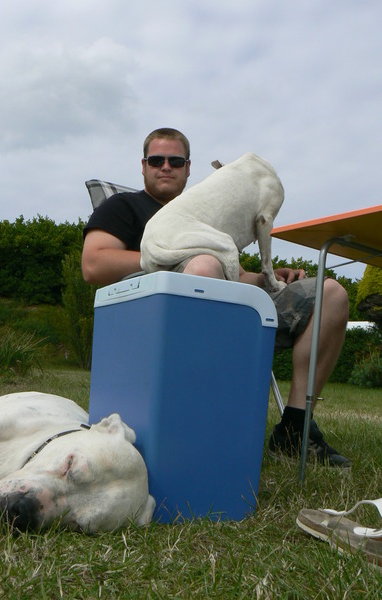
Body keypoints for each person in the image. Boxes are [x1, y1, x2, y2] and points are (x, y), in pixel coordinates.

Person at [82, 127, 351, 468]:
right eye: (157, 160)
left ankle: (296, 429)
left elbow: (233, 274)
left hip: (226, 300)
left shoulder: (210, 205)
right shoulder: (124, 207)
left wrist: (269, 278)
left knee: (330, 293)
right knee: (204, 266)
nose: (166, 167)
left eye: (175, 161)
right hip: (158, 311)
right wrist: (170, 252)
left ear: (189, 167)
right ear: (143, 165)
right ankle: (193, 425)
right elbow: (93, 264)